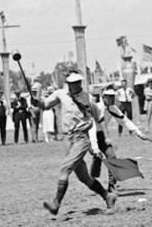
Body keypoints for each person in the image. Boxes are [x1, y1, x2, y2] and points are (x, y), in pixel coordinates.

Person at [35, 71, 117, 215]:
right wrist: (37, 102)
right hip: (67, 138)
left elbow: (100, 117)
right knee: (84, 177)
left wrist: (106, 136)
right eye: (73, 82)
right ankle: (107, 196)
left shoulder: (88, 98)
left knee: (64, 170)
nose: (77, 85)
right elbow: (45, 105)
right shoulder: (60, 94)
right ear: (68, 83)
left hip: (81, 138)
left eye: (78, 82)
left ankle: (56, 204)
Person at [91, 85, 147, 193]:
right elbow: (92, 128)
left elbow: (124, 121)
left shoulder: (113, 108)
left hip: (102, 136)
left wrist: (138, 132)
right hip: (90, 136)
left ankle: (111, 186)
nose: (112, 99)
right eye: (109, 96)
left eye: (113, 96)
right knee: (97, 157)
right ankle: (91, 178)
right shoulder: (97, 108)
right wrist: (94, 146)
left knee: (112, 157)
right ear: (103, 97)